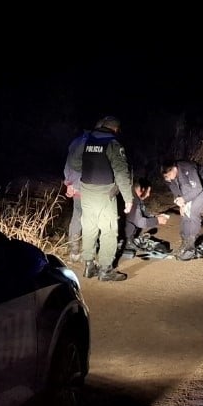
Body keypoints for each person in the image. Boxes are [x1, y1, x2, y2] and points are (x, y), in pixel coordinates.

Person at [67, 115, 133, 281]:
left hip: (86, 191)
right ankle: (105, 269)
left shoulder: (87, 140)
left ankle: (89, 265)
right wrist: (128, 198)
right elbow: (121, 173)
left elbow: (74, 163)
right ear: (115, 129)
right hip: (105, 193)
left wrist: (91, 166)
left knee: (89, 228)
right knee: (109, 230)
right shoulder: (113, 144)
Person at [162, 159, 203, 261]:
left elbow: (198, 188)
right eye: (167, 178)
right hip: (186, 187)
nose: (169, 179)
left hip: (200, 184)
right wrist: (181, 205)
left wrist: (184, 199)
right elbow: (175, 189)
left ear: (175, 169)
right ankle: (185, 242)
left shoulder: (188, 168)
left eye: (170, 175)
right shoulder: (169, 176)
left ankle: (190, 249)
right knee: (184, 215)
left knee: (193, 213)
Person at [122, 178, 169, 258]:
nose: (148, 195)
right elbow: (140, 222)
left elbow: (145, 213)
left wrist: (156, 217)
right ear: (142, 189)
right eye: (148, 192)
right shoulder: (132, 200)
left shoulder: (137, 198)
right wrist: (157, 221)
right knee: (132, 224)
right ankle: (125, 242)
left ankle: (130, 239)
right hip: (120, 231)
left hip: (126, 228)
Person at [62, 127, 89, 261]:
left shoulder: (75, 142)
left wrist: (69, 184)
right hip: (87, 188)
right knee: (91, 219)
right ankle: (88, 253)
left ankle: (74, 251)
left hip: (75, 188)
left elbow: (68, 165)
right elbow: (87, 169)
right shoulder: (92, 144)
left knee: (76, 218)